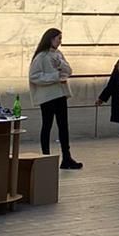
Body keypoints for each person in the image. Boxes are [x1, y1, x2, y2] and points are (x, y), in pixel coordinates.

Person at [28, 28, 82, 171]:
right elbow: (34, 76)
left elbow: (69, 71)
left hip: (60, 94)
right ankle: (45, 156)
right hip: (47, 97)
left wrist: (60, 65)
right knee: (47, 125)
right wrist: (54, 77)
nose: (60, 42)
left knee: (63, 126)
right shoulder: (41, 56)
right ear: (51, 39)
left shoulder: (58, 54)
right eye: (58, 38)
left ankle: (67, 157)